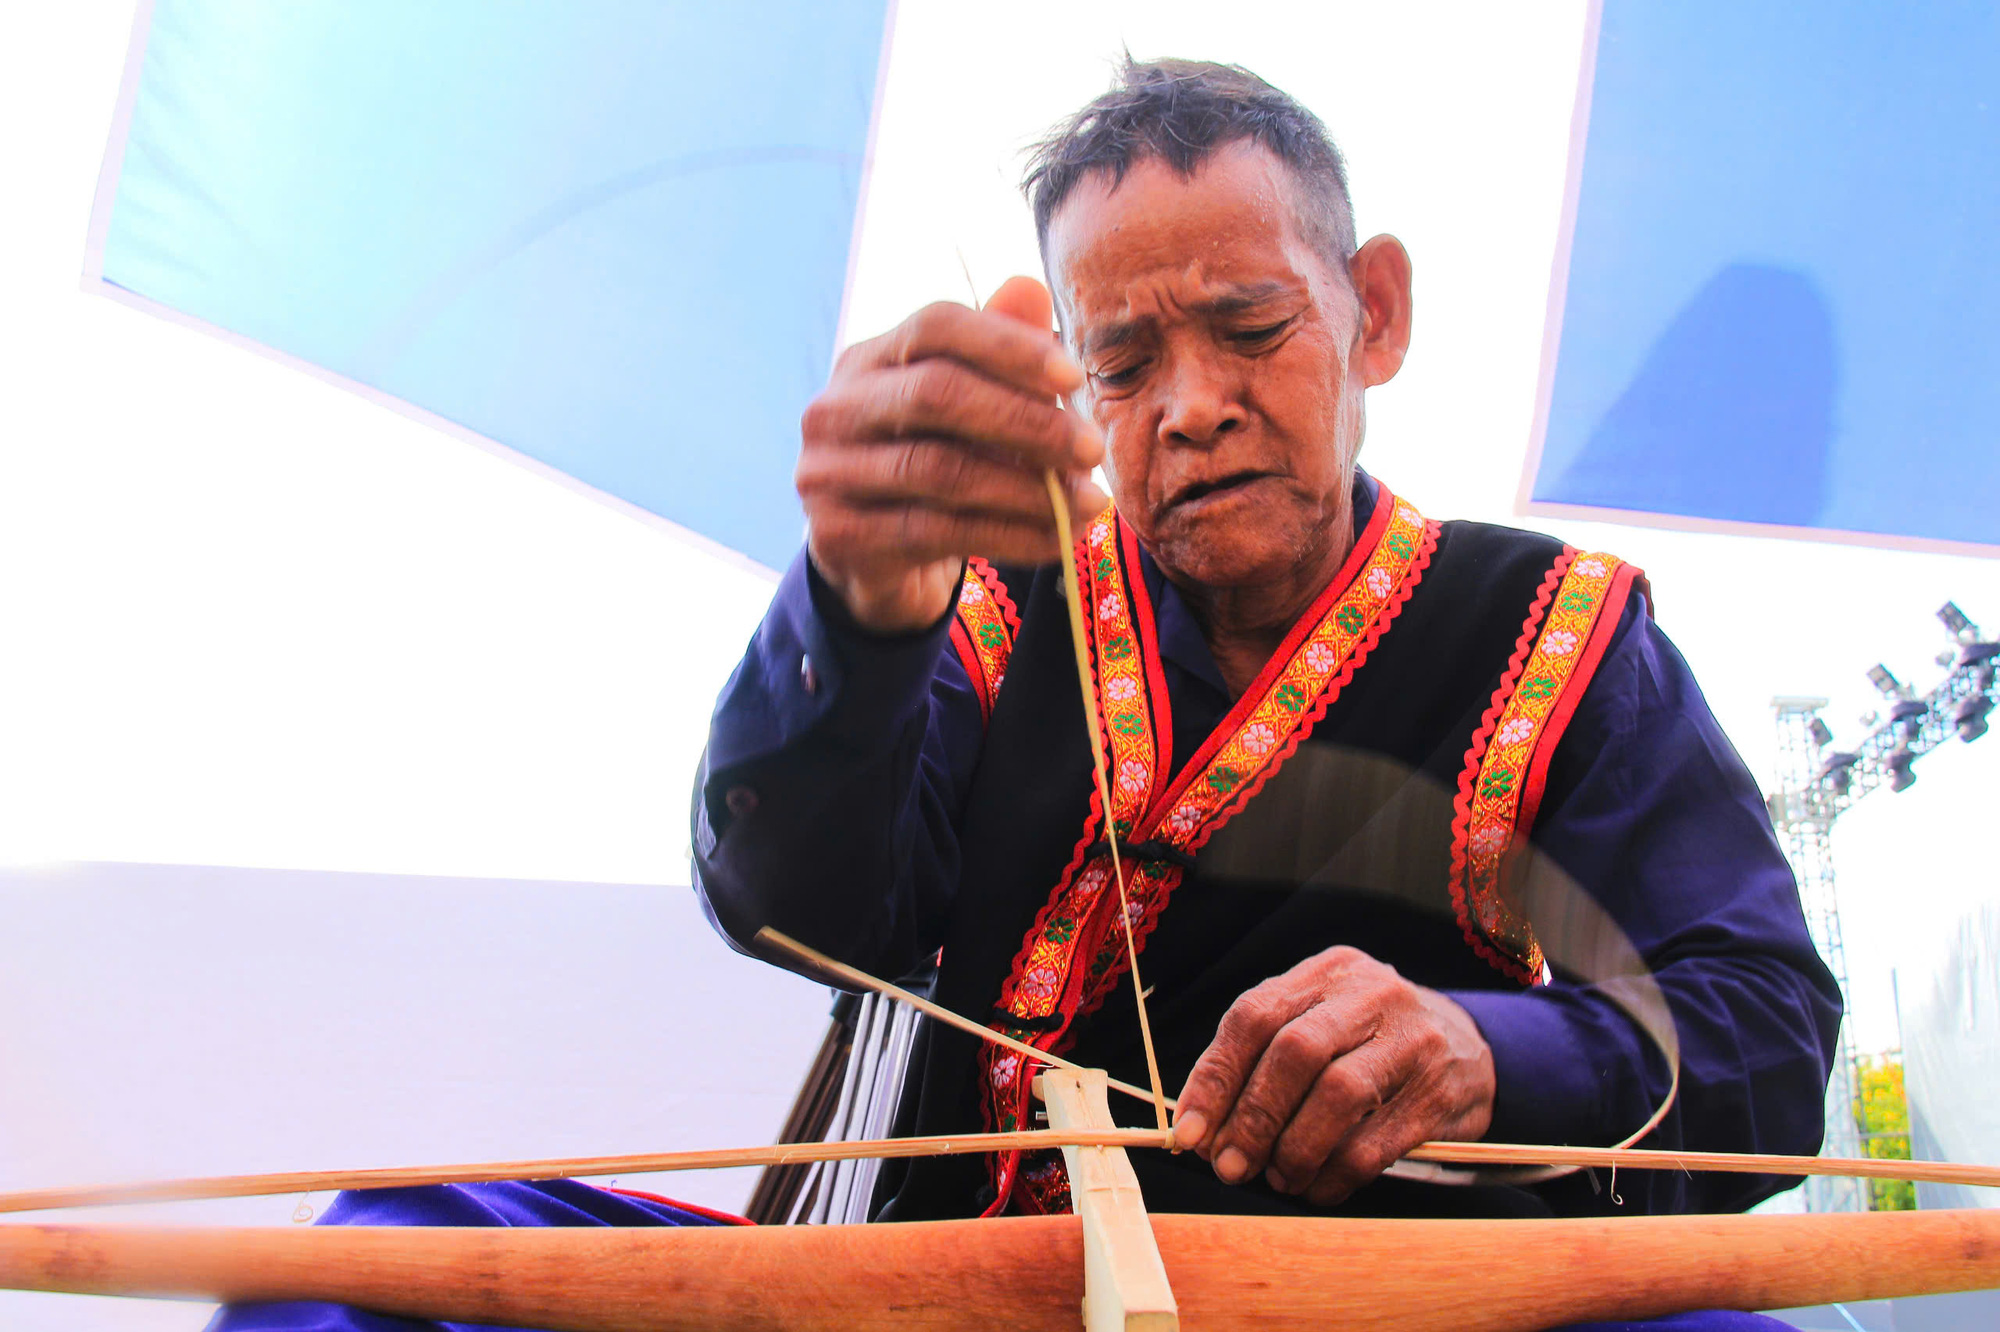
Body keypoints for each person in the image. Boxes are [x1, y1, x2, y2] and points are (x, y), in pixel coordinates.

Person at [212, 58, 1841, 1332]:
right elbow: (801, 911)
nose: (1191, 409)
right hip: (936, 1297)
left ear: (1377, 312)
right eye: (1122, 365)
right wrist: (859, 610)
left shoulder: (1554, 629)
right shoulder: (988, 599)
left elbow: (1764, 1030)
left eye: (1252, 325)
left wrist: (1491, 1053)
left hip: (1364, 1311)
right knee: (390, 1253)